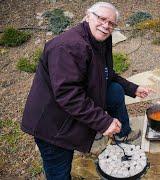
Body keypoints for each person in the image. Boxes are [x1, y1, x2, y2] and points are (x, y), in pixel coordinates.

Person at [20, 2, 153, 179]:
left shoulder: (99, 40)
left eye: (111, 23)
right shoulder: (68, 47)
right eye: (101, 19)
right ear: (88, 15)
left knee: (114, 90)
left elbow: (106, 73)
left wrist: (133, 88)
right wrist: (103, 122)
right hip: (54, 124)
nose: (106, 26)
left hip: (70, 109)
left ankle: (119, 134)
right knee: (59, 171)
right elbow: (68, 95)